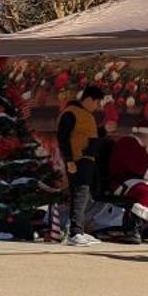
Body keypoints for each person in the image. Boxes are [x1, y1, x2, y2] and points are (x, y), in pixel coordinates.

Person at [57, 84, 105, 248]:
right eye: (97, 102)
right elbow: (62, 137)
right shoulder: (71, 113)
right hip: (77, 160)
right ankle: (75, 233)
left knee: (83, 195)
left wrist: (104, 130)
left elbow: (89, 136)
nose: (98, 106)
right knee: (79, 193)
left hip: (87, 160)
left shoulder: (86, 115)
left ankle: (79, 230)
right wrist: (69, 160)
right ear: (89, 99)